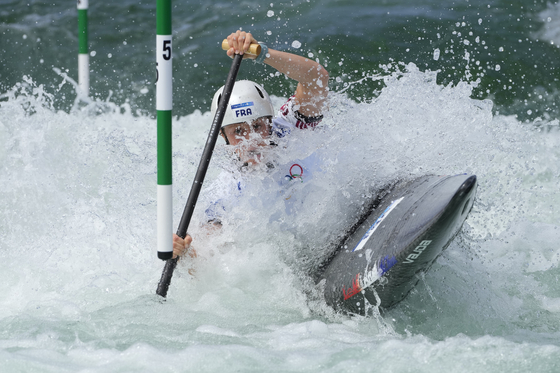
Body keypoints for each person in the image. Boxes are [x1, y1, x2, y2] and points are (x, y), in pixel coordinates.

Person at [172, 30, 329, 260]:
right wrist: (185, 254)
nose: (252, 139)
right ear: (223, 137)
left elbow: (317, 78)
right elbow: (208, 257)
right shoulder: (225, 191)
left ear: (269, 121)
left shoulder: (291, 126)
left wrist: (263, 53)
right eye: (238, 131)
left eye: (257, 126)